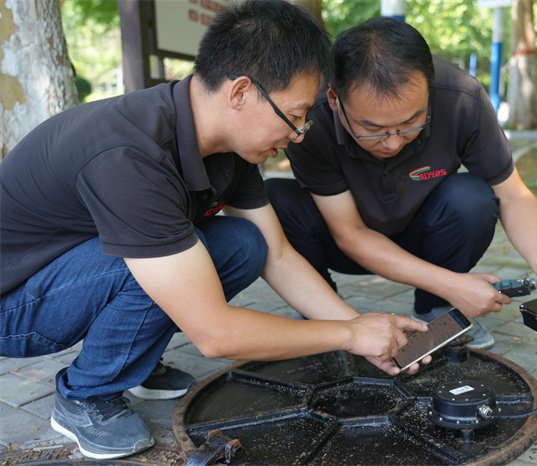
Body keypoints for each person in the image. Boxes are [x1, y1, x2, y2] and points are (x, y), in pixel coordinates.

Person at [0, 2, 427, 460]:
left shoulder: (229, 145)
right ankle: (85, 395)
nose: (300, 133)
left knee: (245, 243)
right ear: (241, 92)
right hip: (16, 306)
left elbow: (278, 256)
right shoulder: (128, 155)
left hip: (74, 274)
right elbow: (215, 335)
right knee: (149, 256)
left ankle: (131, 357)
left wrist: (362, 328)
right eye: (295, 115)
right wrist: (347, 337)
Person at [266, 16, 537, 350]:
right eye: (371, 128)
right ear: (333, 98)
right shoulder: (309, 116)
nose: (391, 143)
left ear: (429, 92)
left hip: (425, 238)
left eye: (410, 122)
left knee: (472, 197)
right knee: (274, 201)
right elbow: (351, 233)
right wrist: (453, 284)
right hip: (345, 242)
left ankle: (435, 307)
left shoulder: (462, 98)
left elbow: (515, 197)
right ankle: (323, 313)